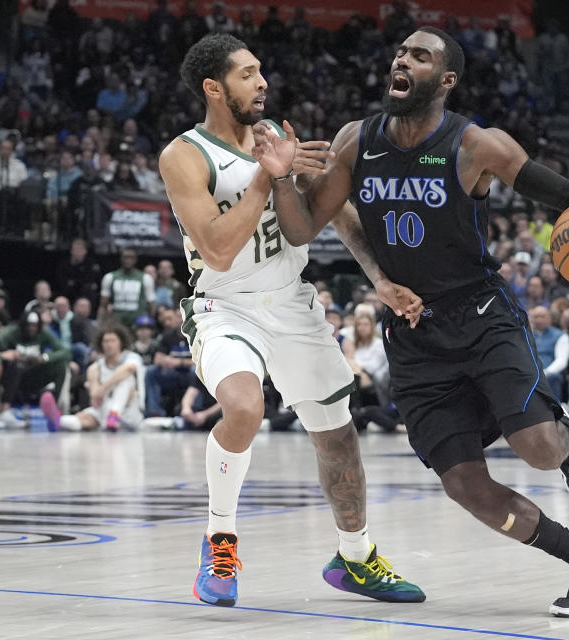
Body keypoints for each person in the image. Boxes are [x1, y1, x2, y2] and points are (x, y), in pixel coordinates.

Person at [252, 26, 569, 617]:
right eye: (400, 52)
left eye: (419, 55)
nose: (401, 59)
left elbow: (558, 190)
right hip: (414, 339)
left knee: (537, 448)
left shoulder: (476, 145)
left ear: (447, 79)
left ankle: (563, 439)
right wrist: (283, 176)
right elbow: (305, 227)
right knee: (465, 486)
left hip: (482, 315)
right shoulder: (356, 141)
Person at [158, 34, 425, 608]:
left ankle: (355, 557)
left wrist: (378, 279)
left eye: (261, 72)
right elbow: (219, 250)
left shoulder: (274, 135)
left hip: (293, 303)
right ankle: (219, 539)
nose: (263, 83)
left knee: (337, 436)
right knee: (245, 406)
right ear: (214, 88)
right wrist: (265, 176)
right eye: (249, 74)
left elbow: (337, 211)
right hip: (224, 306)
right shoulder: (184, 154)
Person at [40, 324, 144, 432]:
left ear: (121, 342)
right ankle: (57, 420)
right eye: (106, 341)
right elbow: (95, 397)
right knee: (84, 418)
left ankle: (114, 414)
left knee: (126, 379)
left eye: (113, 341)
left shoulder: (131, 357)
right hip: (105, 410)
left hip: (130, 412)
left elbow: (128, 370)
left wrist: (104, 388)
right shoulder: (96, 367)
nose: (109, 345)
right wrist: (96, 395)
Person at [99, 248, 156, 327]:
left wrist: (150, 324)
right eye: (126, 257)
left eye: (131, 257)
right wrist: (100, 324)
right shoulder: (109, 277)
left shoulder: (146, 278)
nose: (128, 260)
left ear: (136, 260)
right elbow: (103, 305)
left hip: (138, 324)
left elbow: (151, 305)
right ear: (121, 259)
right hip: (117, 322)